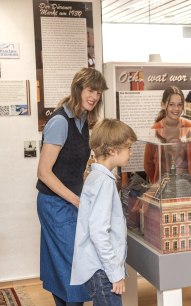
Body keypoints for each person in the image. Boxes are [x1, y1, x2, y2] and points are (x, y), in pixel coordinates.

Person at [36, 68, 108, 306]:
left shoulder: (83, 120)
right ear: (78, 89)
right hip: (55, 204)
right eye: (90, 90)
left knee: (63, 265)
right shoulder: (59, 122)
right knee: (74, 265)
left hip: (71, 200)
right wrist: (76, 200)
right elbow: (44, 173)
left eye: (98, 92)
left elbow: (73, 166)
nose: (95, 96)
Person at [143, 85, 191, 306]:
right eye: (172, 104)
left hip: (185, 187)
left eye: (179, 104)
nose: (176, 108)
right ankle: (172, 284)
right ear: (164, 104)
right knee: (170, 236)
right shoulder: (155, 129)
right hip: (163, 189)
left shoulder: (189, 127)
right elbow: (148, 164)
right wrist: (157, 185)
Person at [71, 119, 137, 306]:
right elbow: (99, 231)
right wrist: (115, 274)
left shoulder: (96, 177)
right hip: (103, 271)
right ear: (112, 151)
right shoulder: (104, 183)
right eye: (128, 148)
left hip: (97, 268)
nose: (131, 153)